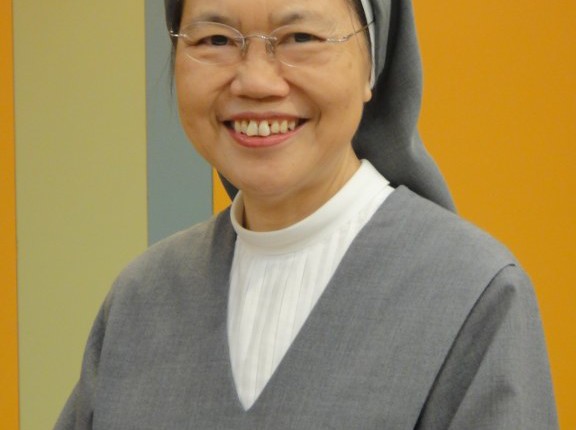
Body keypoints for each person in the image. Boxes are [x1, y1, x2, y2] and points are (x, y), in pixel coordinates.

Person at [55, 0, 558, 428]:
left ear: (371, 65)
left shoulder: (473, 296)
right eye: (215, 40)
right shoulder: (140, 301)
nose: (255, 81)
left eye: (300, 37)